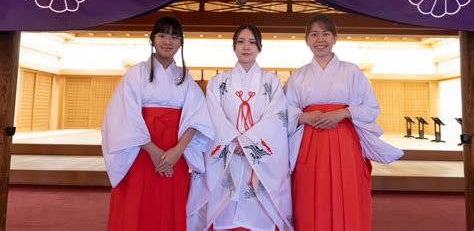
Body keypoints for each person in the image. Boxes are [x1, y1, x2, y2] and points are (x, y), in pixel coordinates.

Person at [284, 14, 403, 231]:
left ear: (335, 38)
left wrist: (344, 113)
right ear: (306, 40)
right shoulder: (298, 76)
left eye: (326, 33)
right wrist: (303, 116)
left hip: (344, 139)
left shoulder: (351, 71)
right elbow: (283, 111)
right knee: (309, 193)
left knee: (347, 190)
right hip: (310, 142)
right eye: (314, 34)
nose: (320, 39)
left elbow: (370, 107)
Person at [101, 16, 215, 231]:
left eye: (174, 36)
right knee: (137, 204)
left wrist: (177, 151)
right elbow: (124, 115)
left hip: (174, 152)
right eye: (162, 35)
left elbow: (197, 118)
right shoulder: (135, 74)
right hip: (139, 150)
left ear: (181, 42)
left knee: (170, 205)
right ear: (152, 39)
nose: (167, 41)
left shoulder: (184, 78)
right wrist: (152, 151)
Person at [187, 24, 293, 231]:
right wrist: (234, 143)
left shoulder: (271, 82)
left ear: (259, 47)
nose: (246, 47)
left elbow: (275, 119)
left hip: (257, 158)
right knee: (224, 208)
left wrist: (246, 144)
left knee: (258, 212)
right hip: (228, 153)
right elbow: (213, 116)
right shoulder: (218, 82)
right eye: (241, 42)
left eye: (252, 42)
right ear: (234, 46)